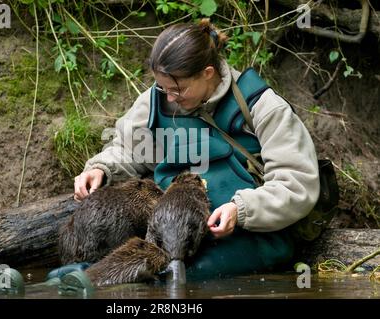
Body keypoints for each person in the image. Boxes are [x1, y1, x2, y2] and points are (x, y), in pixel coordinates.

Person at [73, 19, 320, 278]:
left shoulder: (263, 106)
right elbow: (130, 150)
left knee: (175, 278)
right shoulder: (157, 98)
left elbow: (297, 183)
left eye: (177, 89)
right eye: (162, 87)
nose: (169, 98)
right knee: (123, 262)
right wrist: (102, 168)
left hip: (247, 233)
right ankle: (79, 276)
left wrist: (242, 209)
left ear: (208, 73)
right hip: (170, 229)